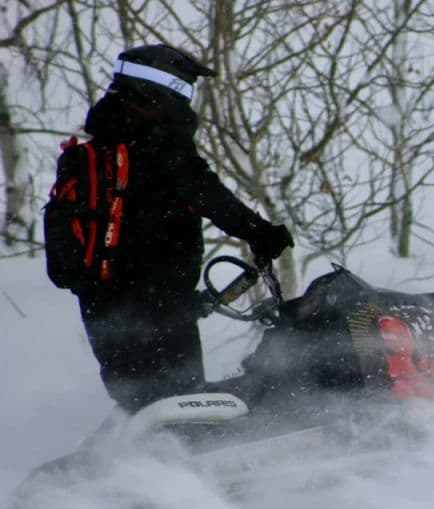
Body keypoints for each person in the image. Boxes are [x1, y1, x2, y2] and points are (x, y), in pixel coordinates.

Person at [58, 44, 293, 412]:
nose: (187, 100)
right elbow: (208, 193)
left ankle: (143, 460)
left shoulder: (97, 147)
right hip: (156, 294)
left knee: (140, 399)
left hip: (101, 301)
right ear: (160, 89)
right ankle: (187, 465)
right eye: (183, 88)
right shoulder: (160, 142)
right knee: (182, 399)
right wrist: (261, 232)